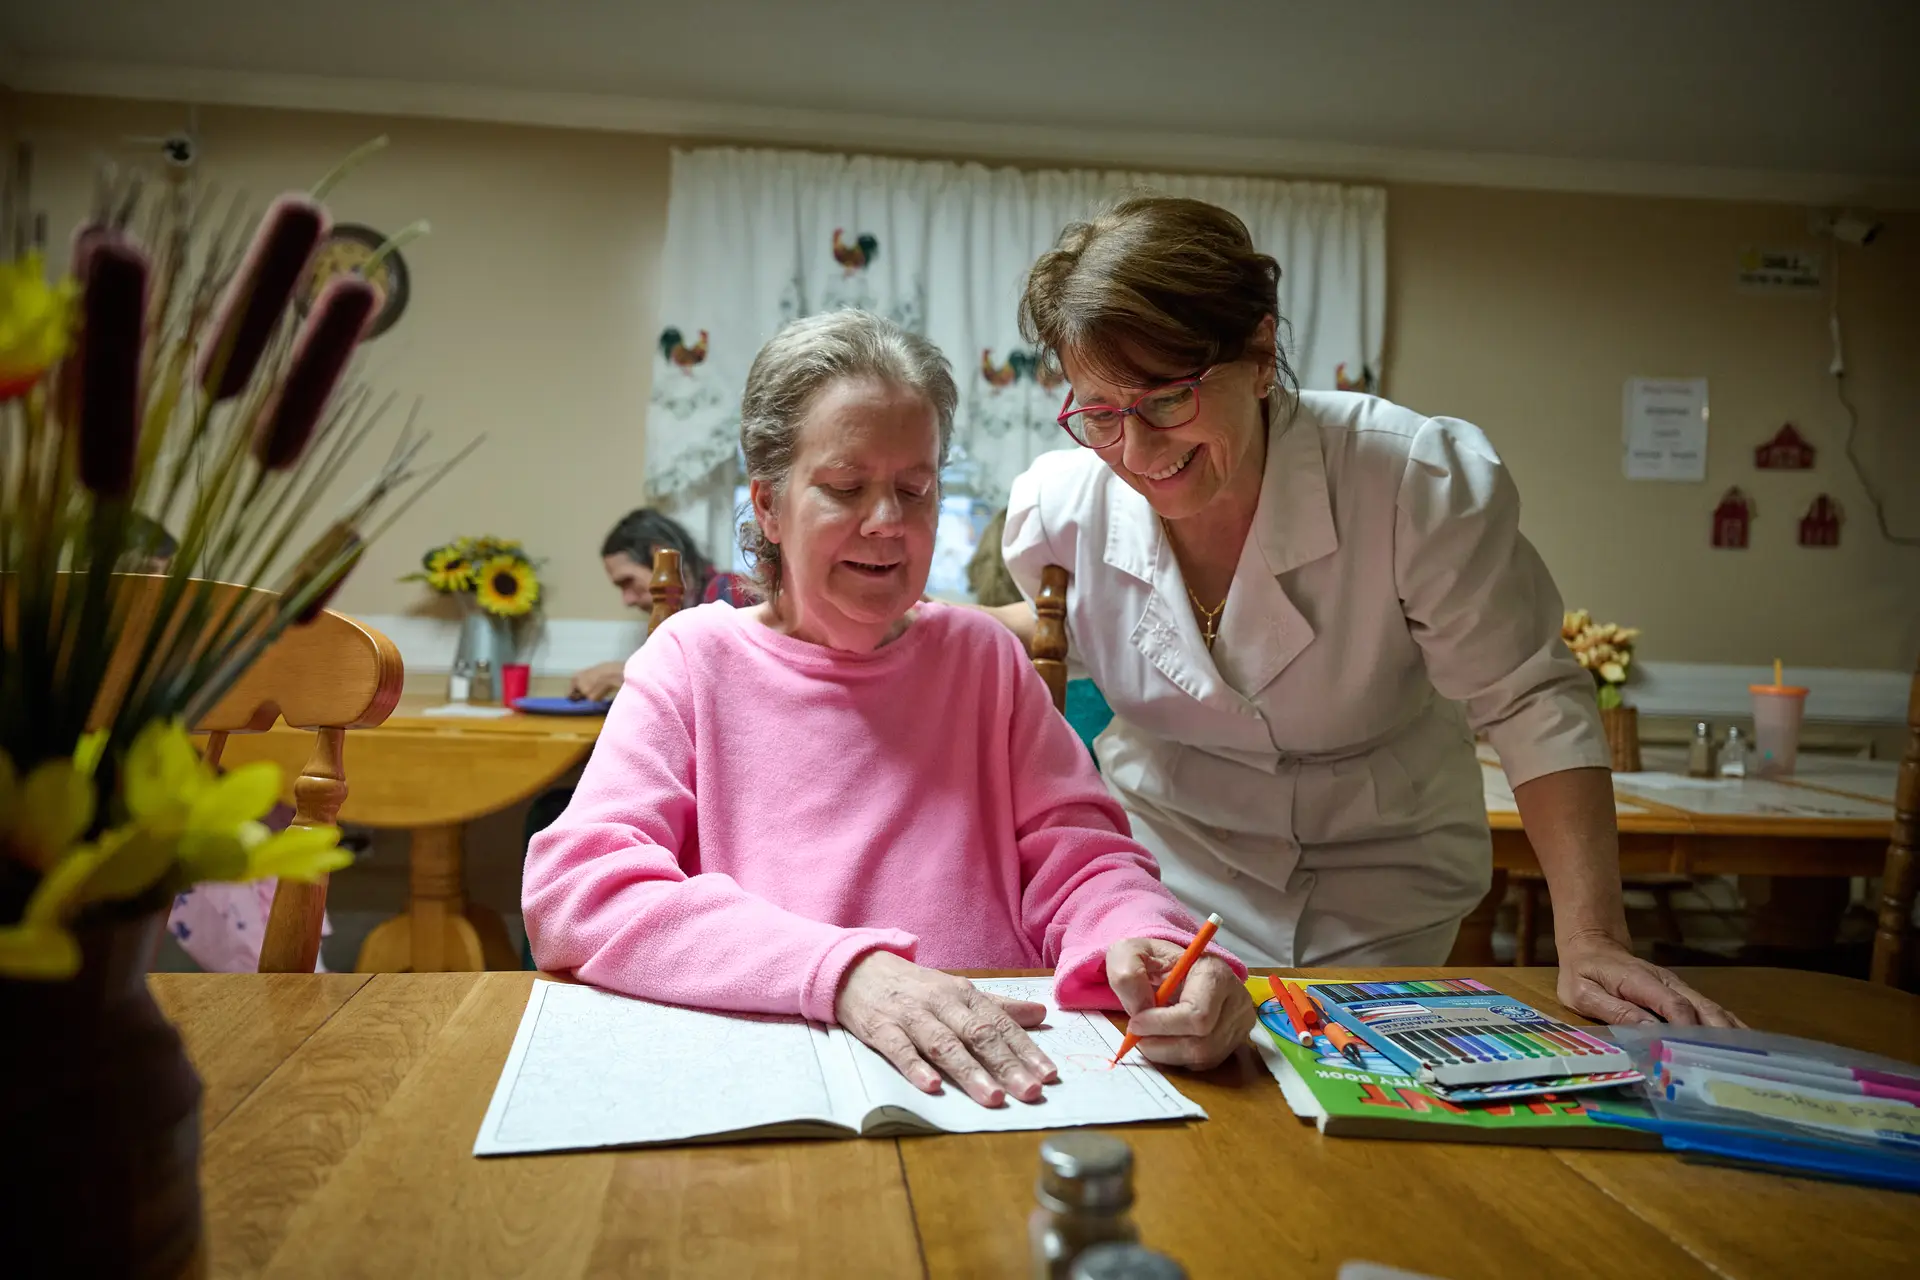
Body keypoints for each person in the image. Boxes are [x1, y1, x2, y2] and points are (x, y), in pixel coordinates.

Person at [993, 195, 1738, 1028]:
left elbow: (1527, 698)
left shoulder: (1408, 481)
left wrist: (1593, 936)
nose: (1136, 452)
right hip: (1169, 883)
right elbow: (1064, 634)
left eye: (1167, 401)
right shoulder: (1067, 509)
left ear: (1262, 350)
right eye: (1099, 413)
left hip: (1385, 890)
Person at [524, 310, 1253, 1106]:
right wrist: (844, 973)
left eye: (916, 489)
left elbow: (1083, 861)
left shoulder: (982, 658)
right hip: (777, 1082)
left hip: (1006, 1082)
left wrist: (1145, 943)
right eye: (845, 488)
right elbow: (578, 890)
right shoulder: (694, 660)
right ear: (768, 504)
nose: (888, 524)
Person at [567, 508, 753, 701]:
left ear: (661, 558)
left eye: (628, 581)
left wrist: (624, 673)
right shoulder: (678, 618)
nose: (627, 600)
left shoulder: (729, 590)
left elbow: (731, 693)